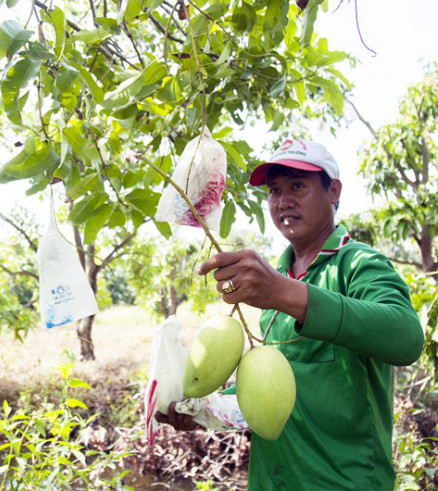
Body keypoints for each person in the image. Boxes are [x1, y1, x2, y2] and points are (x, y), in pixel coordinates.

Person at [155, 138, 425, 490]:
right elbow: (277, 383)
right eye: (275, 190)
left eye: (298, 186)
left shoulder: (359, 264)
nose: (283, 201)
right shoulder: (278, 282)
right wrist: (205, 407)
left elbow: (406, 338)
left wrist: (286, 294)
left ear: (334, 191)